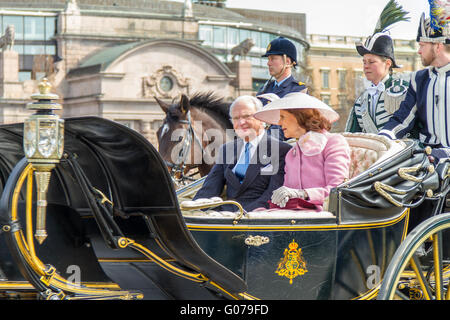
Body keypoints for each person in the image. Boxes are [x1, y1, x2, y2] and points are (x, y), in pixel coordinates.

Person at [253, 92, 351, 211]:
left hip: (322, 218)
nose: (279, 123)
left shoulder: (334, 142)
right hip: (294, 217)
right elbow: (289, 193)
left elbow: (338, 190)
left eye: (283, 117)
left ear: (300, 116)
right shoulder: (291, 153)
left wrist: (303, 193)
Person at [193, 95, 292, 212]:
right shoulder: (226, 149)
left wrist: (239, 215)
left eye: (246, 116)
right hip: (225, 218)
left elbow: (272, 196)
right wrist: (192, 210)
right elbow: (209, 188)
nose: (241, 122)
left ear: (261, 118)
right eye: (236, 118)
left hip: (258, 220)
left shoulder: (282, 150)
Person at [379, 3, 450, 163]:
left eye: (422, 45)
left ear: (438, 47)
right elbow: (402, 119)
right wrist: (383, 138)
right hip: (429, 161)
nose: (419, 51)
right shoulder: (419, 80)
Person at [345, 0, 410, 134]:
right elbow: (354, 134)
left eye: (371, 62)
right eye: (364, 62)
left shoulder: (403, 90)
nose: (366, 67)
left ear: (387, 63)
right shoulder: (361, 100)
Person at [256, 36, 307, 140]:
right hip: (261, 146)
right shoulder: (264, 90)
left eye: (273, 59)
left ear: (287, 62)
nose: (268, 63)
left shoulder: (298, 90)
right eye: (268, 59)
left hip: (283, 149)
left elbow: (296, 127)